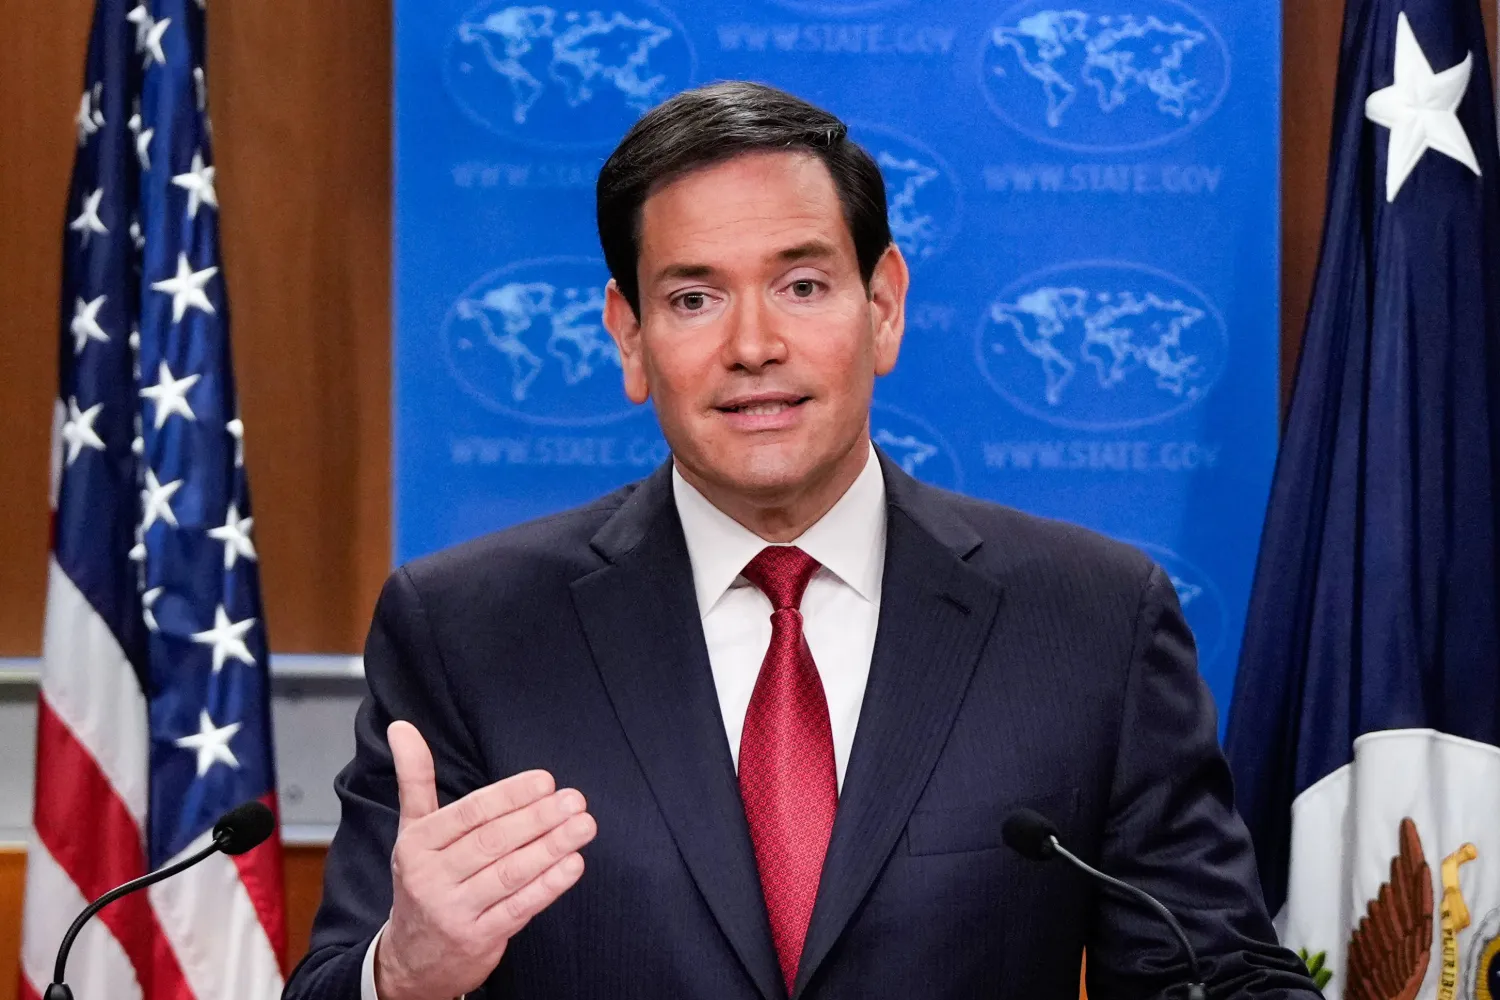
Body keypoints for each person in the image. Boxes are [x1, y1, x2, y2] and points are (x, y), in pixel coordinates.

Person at [284, 81, 1320, 1000]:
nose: (752, 346)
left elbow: (1214, 970)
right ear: (630, 337)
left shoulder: (1090, 618)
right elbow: (336, 981)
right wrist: (403, 976)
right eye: (693, 297)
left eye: (802, 284)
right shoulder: (470, 630)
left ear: (884, 307)